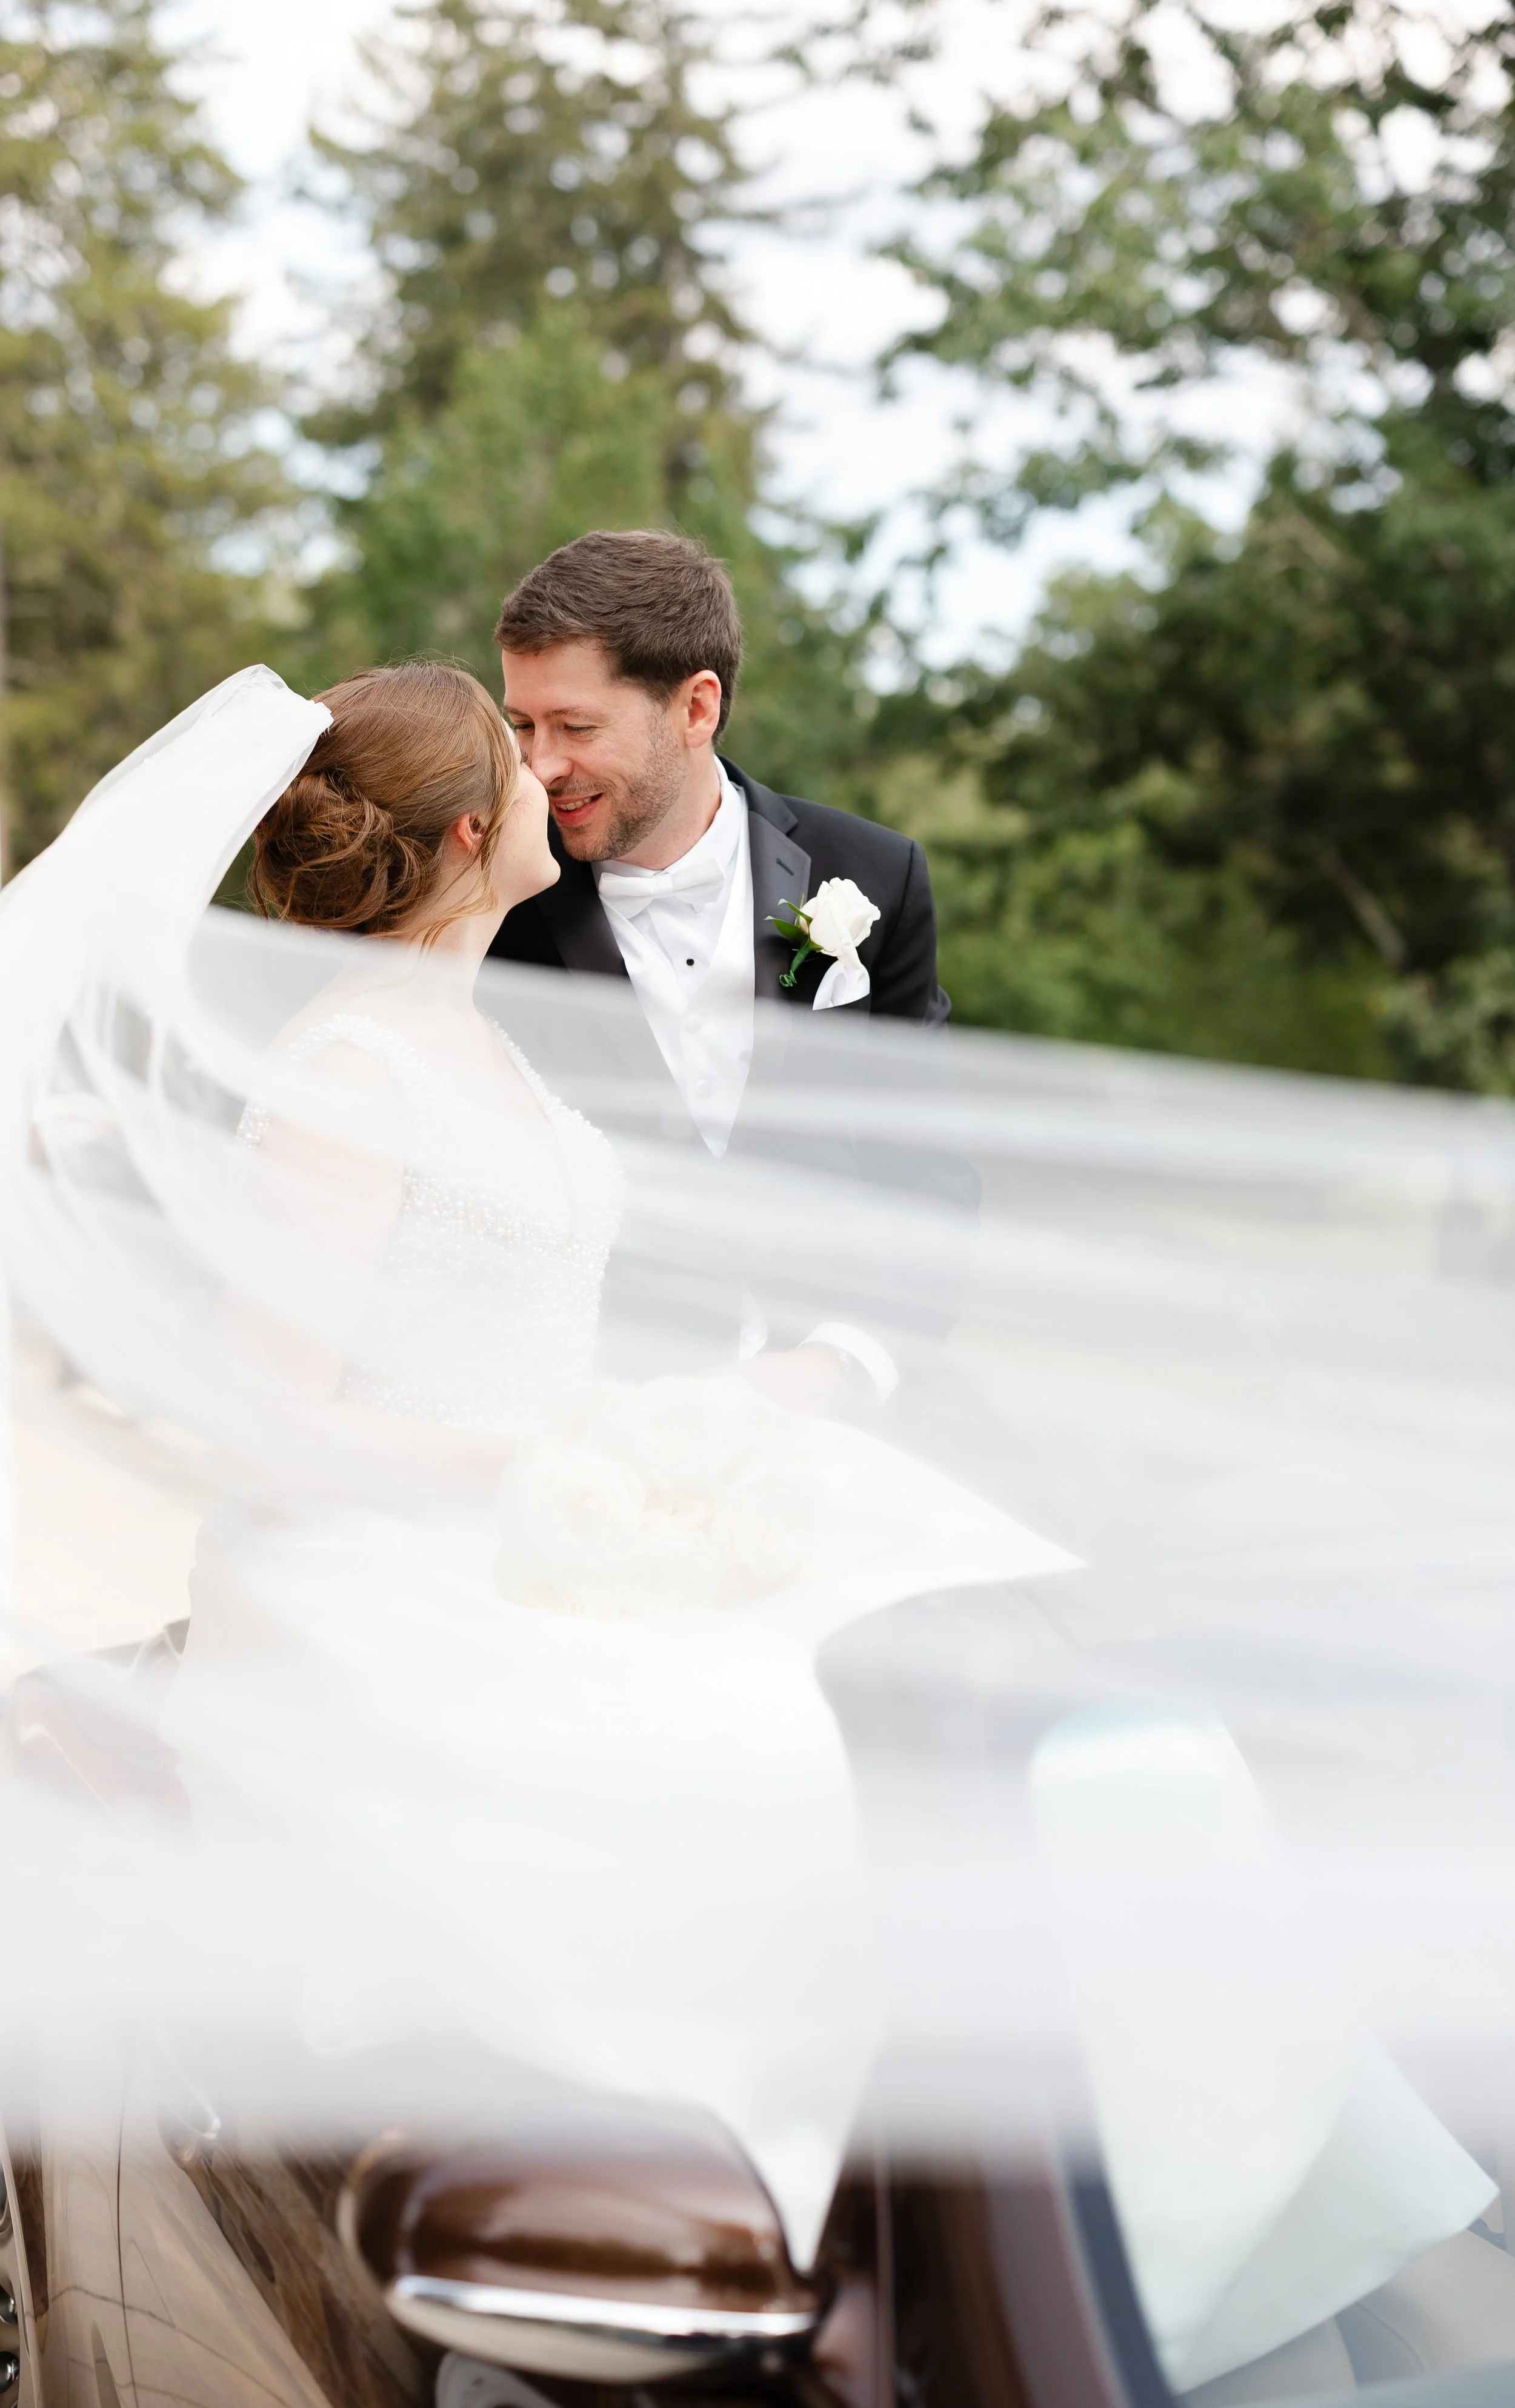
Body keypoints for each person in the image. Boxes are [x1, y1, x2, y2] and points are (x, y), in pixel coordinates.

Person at [487, 528, 961, 1406]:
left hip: (820, 1431)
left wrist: (836, 1366)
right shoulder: (492, 899)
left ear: (696, 708)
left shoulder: (872, 875)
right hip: (567, 1415)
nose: (540, 765)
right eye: (523, 725)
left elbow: (924, 1177)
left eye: (576, 726)